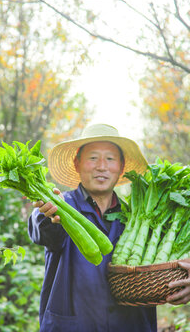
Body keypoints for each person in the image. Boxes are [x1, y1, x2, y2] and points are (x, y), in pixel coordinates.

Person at [28, 124, 190, 332]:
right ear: (77, 163)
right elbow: (41, 230)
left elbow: (172, 261)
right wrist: (47, 211)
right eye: (93, 157)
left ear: (121, 167)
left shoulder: (136, 218)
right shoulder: (61, 206)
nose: (101, 166)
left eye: (110, 159)